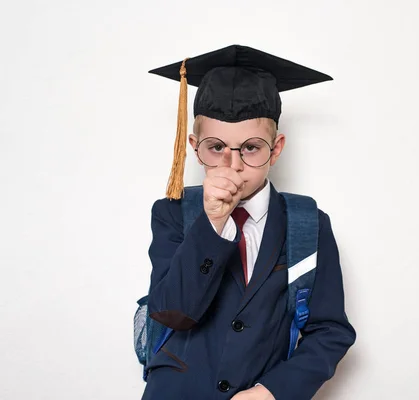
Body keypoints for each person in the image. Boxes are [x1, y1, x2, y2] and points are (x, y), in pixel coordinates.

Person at [141, 44, 356, 400]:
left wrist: (274, 391)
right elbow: (171, 313)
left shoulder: (307, 223)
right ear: (194, 146)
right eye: (216, 147)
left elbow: (330, 330)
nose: (233, 163)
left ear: (276, 148)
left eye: (251, 148)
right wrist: (213, 224)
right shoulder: (172, 213)